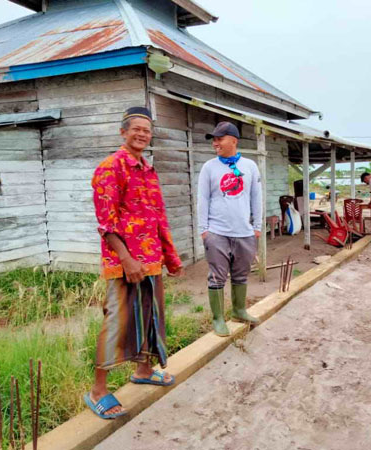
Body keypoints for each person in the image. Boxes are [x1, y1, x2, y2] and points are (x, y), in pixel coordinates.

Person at [86, 107, 183, 419]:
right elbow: (105, 223)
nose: (142, 134)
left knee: (152, 318)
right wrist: (127, 259)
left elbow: (158, 217)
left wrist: (171, 256)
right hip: (124, 263)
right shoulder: (110, 168)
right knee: (117, 322)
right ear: (123, 133)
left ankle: (144, 369)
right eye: (136, 129)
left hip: (152, 259)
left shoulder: (147, 170)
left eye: (147, 130)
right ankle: (98, 391)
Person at [198, 122, 262, 336]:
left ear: (233, 140)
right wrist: (204, 230)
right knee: (217, 276)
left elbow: (256, 197)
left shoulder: (250, 166)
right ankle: (218, 318)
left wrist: (257, 227)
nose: (215, 143)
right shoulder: (209, 167)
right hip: (217, 232)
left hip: (244, 232)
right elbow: (202, 199)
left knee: (241, 275)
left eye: (219, 138)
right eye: (213, 139)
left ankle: (239, 310)